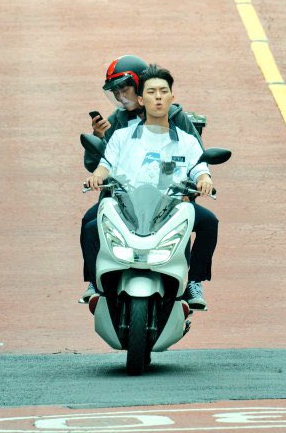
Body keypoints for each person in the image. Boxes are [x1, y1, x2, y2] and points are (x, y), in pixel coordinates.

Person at [80, 64, 219, 311]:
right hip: (128, 198)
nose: (121, 96)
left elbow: (199, 164)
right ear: (143, 97)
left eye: (162, 92)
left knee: (208, 222)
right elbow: (104, 164)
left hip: (171, 199)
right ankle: (96, 283)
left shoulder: (182, 132)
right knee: (90, 225)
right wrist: (97, 174)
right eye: (151, 92)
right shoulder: (121, 129)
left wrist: (203, 180)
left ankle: (193, 281)